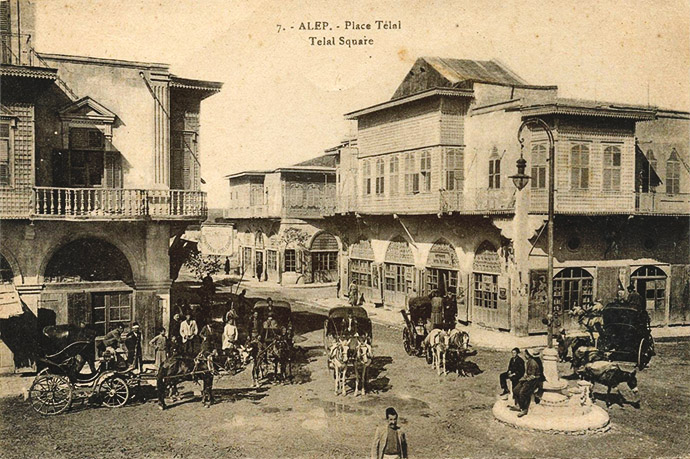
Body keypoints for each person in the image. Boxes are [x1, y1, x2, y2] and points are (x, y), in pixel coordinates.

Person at [512, 348, 544, 417]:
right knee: (515, 390)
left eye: (525, 354)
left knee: (522, 392)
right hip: (528, 379)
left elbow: (532, 376)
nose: (524, 355)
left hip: (533, 381)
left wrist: (524, 379)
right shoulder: (529, 361)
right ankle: (519, 405)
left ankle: (524, 409)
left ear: (528, 355)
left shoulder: (533, 363)